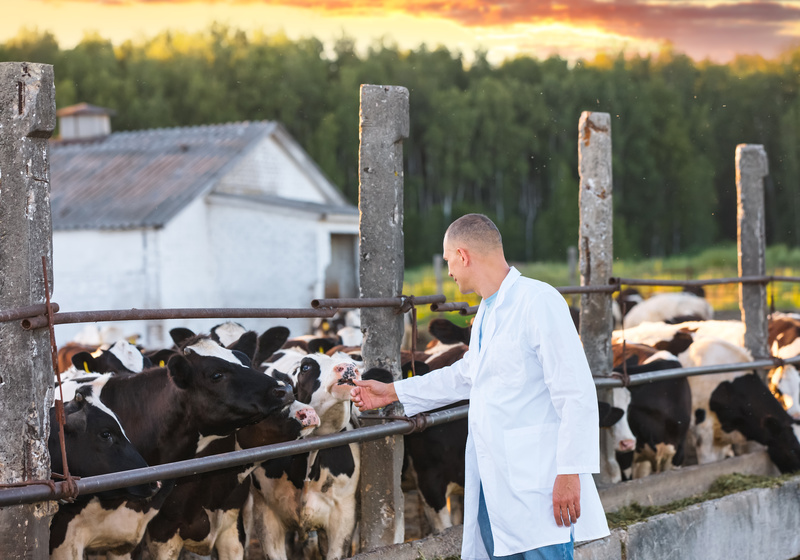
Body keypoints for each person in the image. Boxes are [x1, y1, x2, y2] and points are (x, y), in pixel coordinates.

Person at [351, 213, 610, 560]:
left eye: (448, 262)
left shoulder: (538, 301)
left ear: (463, 255)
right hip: (494, 482)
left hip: (537, 484)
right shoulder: (488, 312)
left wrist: (569, 473)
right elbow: (466, 375)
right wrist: (393, 392)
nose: (449, 271)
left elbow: (575, 393)